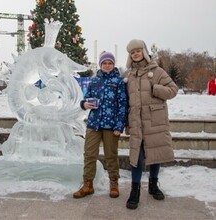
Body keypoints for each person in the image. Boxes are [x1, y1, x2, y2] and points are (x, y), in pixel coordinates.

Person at [123, 39, 178, 209]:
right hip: (136, 120)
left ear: (144, 52)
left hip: (155, 119)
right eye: (132, 52)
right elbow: (126, 101)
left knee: (155, 153)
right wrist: (127, 122)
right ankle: (135, 190)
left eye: (138, 51)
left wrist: (156, 89)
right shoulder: (128, 75)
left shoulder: (157, 71)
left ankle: (153, 185)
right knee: (137, 156)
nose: (136, 54)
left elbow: (173, 90)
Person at [73, 52, 128, 199]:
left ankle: (114, 183)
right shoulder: (94, 80)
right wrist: (84, 104)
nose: (107, 65)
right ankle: (87, 184)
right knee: (89, 154)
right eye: (104, 63)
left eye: (110, 63)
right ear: (100, 65)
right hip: (94, 123)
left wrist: (119, 126)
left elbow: (123, 105)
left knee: (111, 155)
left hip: (111, 125)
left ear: (113, 64)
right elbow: (85, 99)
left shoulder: (119, 81)